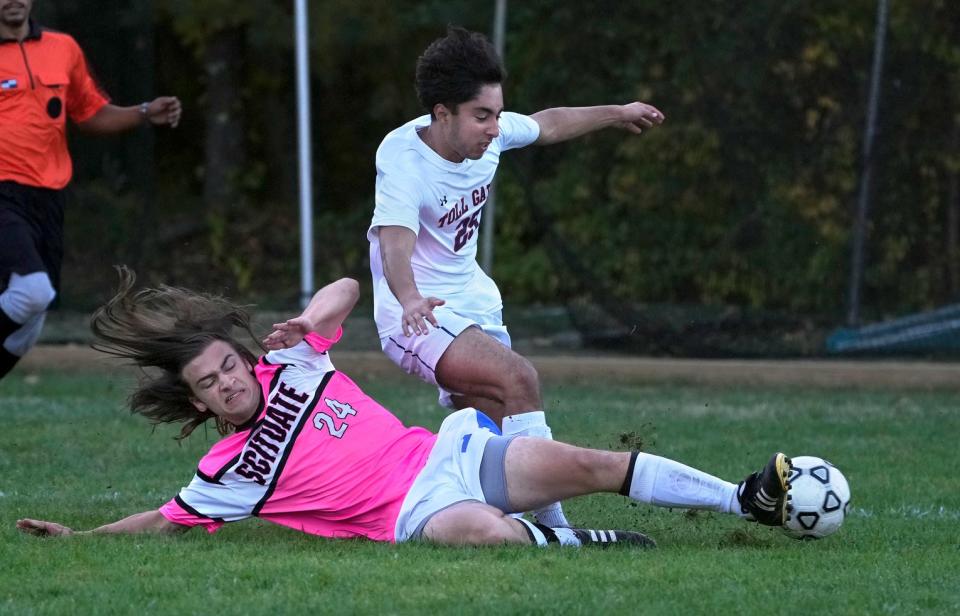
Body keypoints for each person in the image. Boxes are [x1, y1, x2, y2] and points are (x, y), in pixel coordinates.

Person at [16, 269, 792, 548]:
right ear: (196, 400)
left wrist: (308, 319)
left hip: (443, 456)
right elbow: (159, 519)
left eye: (227, 366)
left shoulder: (288, 361)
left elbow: (348, 291)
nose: (225, 382)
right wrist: (80, 535)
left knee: (588, 463)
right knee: (476, 536)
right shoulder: (228, 472)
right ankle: (578, 543)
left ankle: (745, 498)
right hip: (409, 516)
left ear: (244, 359)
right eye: (209, 383)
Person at [367, 26, 665, 528]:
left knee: (493, 433)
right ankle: (556, 530)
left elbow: (548, 124)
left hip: (475, 301)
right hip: (416, 314)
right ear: (442, 114)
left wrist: (619, 112)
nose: (493, 127)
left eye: (497, 114)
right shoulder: (403, 161)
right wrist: (411, 297)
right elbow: (394, 240)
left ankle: (460, 511)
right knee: (519, 378)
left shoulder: (487, 135)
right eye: (482, 116)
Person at [0, 0, 182, 380]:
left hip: (47, 198)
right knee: (31, 293)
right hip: (3, 193)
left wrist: (145, 112)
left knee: (30, 322)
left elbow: (90, 112)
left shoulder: (62, 47)